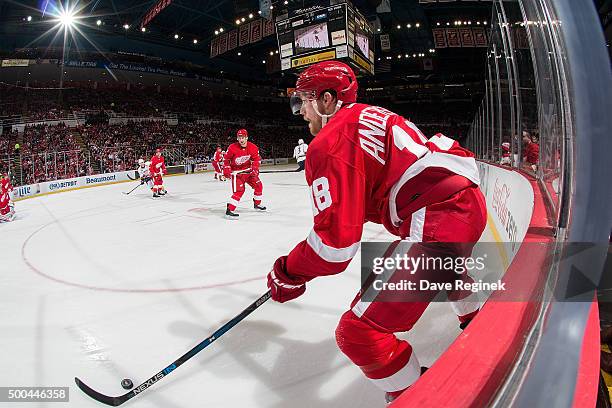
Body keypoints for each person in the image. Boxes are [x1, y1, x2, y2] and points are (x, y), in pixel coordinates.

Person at [266, 61, 486, 403]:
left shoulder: (330, 140)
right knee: (445, 268)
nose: (300, 112)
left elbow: (334, 249)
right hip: (462, 203)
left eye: (303, 101)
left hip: (438, 218)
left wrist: (288, 272)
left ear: (326, 100)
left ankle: (417, 398)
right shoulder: (367, 114)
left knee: (358, 332)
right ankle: (478, 320)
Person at [223, 129, 266, 218]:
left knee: (259, 186)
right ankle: (229, 210)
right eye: (239, 137)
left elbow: (256, 160)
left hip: (248, 172)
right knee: (239, 191)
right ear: (237, 138)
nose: (241, 140)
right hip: (237, 173)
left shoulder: (253, 147)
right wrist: (226, 169)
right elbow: (226, 159)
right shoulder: (232, 147)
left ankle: (257, 204)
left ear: (247, 138)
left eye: (243, 137)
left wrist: (255, 169)